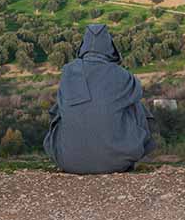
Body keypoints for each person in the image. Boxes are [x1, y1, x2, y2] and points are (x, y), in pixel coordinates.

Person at [44, 24, 156, 174]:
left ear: (83, 46)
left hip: (68, 161)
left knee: (60, 107)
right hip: (115, 163)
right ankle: (126, 152)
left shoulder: (68, 71)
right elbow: (138, 91)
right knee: (136, 105)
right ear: (110, 47)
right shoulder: (122, 75)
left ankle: (75, 150)